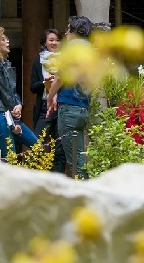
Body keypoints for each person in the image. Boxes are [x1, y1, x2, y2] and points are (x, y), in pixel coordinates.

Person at [0, 29, 40, 158]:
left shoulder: (4, 64)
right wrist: (16, 121)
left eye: (7, 39)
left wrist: (19, 105)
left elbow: (11, 91)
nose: (7, 41)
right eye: (3, 39)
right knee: (10, 155)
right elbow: (5, 93)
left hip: (6, 114)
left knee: (36, 146)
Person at [52, 16, 96, 178]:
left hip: (69, 108)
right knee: (79, 155)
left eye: (68, 29)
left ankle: (84, 194)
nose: (66, 33)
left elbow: (60, 77)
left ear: (75, 30)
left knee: (75, 160)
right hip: (83, 108)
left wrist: (51, 96)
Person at [36, 29, 62, 134]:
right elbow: (33, 86)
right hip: (44, 105)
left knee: (60, 144)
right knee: (37, 141)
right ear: (45, 43)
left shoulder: (66, 60)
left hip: (61, 105)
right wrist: (44, 82)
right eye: (51, 40)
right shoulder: (38, 62)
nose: (54, 43)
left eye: (57, 40)